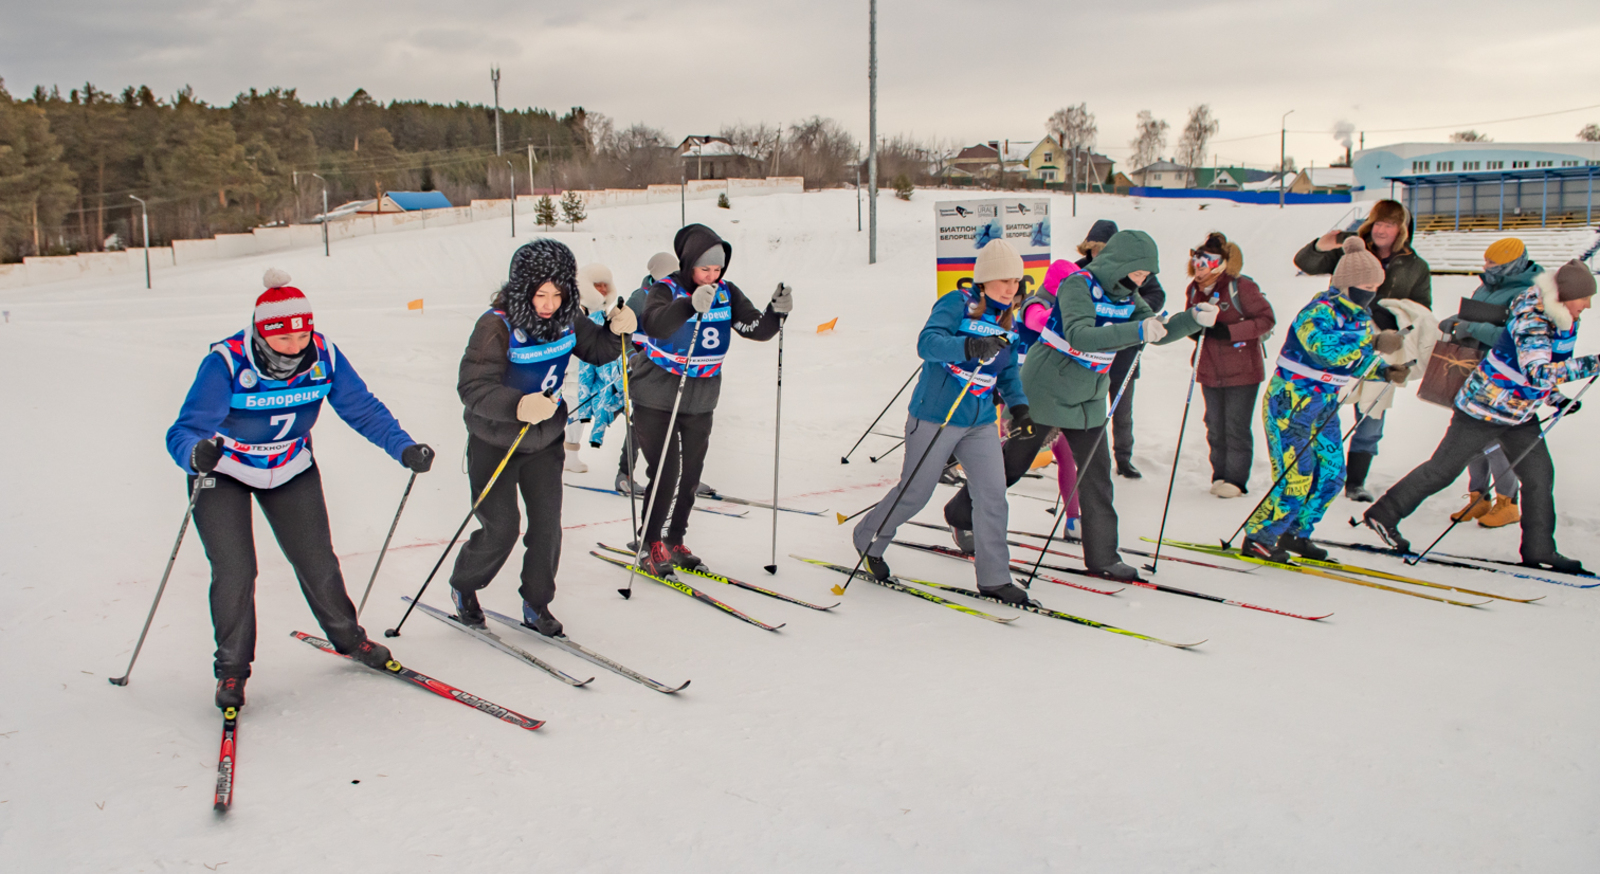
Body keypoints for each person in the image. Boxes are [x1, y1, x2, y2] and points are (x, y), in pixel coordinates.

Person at [166, 269, 435, 711]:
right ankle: (232, 669)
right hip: (224, 470)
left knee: (317, 559)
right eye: (283, 339)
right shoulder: (227, 362)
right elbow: (184, 430)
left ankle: (350, 640)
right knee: (236, 570)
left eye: (302, 335)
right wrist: (194, 453)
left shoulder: (324, 354)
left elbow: (362, 408)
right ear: (261, 332)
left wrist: (403, 447)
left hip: (290, 466)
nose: (295, 347)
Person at [447, 240, 634, 636]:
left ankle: (537, 603)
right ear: (522, 289)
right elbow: (472, 387)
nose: (549, 304)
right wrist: (518, 406)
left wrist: (619, 331)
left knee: (547, 528)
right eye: (540, 295)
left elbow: (598, 350)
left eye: (558, 294)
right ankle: (464, 586)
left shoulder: (568, 318)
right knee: (501, 529)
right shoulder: (495, 325)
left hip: (545, 440)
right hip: (495, 442)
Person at [1363, 261, 1599, 573]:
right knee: (1442, 470)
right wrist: (1594, 363)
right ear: (1566, 295)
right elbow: (1538, 371)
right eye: (1584, 297)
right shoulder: (1534, 320)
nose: (1588, 304)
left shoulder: (1562, 317)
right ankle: (1383, 514)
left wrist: (1555, 398)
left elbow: (1532, 366)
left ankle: (1539, 549)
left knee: (1539, 477)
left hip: (1518, 413)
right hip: (1483, 409)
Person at [1020, 229, 1216, 580]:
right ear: (1117, 263)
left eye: (1145, 275)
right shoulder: (1078, 285)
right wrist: (1137, 331)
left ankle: (1103, 557)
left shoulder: (1128, 295)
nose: (1139, 280)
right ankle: (962, 515)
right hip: (1049, 386)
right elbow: (1079, 334)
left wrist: (1191, 319)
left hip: (1090, 394)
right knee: (1013, 463)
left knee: (1097, 476)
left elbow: (1155, 331)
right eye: (1136, 272)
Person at [854, 239, 1033, 605]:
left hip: (980, 420)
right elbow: (927, 344)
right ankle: (868, 538)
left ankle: (995, 578)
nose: (1011, 288)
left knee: (992, 496)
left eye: (1016, 281)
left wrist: (1020, 408)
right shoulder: (957, 303)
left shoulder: (1008, 319)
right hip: (937, 416)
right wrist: (968, 347)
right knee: (915, 492)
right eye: (1004, 280)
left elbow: (1007, 371)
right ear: (984, 279)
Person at [633, 224, 788, 576]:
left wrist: (775, 312)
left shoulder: (726, 292)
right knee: (666, 472)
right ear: (689, 264)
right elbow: (655, 324)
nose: (712, 276)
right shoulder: (665, 288)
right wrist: (689, 306)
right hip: (656, 394)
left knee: (691, 474)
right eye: (705, 269)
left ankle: (674, 539)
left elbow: (756, 329)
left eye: (717, 269)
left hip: (701, 398)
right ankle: (649, 542)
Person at [1243, 238, 1407, 562]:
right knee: (1297, 474)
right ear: (1346, 283)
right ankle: (1260, 536)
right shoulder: (1319, 311)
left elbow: (1352, 361)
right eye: (1366, 286)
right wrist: (1374, 343)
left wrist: (1384, 371)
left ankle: (1295, 533)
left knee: (1332, 475)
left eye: (1376, 286)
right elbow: (1325, 350)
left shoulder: (1359, 316)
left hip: (1324, 404)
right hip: (1291, 402)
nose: (1371, 292)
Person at [1293, 199, 1432, 501]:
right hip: (1340, 337)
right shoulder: (1352, 251)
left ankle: (1355, 482)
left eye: (1389, 225)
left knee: (1371, 414)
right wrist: (1319, 245)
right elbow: (1305, 263)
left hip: (1384, 345)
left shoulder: (1415, 266)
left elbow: (1422, 311)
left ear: (1401, 230)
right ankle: (1315, 474)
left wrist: (1394, 321)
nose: (1381, 230)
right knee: (1325, 407)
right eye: (1378, 223)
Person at [941, 257, 1082, 552]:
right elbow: (1036, 321)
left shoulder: (1076, 312)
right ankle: (962, 515)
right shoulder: (1037, 304)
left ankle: (1075, 519)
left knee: (1070, 457)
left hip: (1060, 397)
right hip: (1025, 398)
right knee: (1008, 467)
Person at [1436, 238, 1541, 529]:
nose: (1486, 267)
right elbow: (1474, 314)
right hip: (1474, 369)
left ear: (1512, 265)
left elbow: (1513, 338)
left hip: (1503, 378)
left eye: (1493, 263)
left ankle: (1508, 501)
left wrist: (1471, 328)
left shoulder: (1528, 293)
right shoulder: (1488, 286)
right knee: (1469, 436)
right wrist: (1456, 321)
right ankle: (1478, 496)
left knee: (1494, 440)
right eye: (1486, 261)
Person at [1184, 232, 1275, 498]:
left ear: (1221, 264)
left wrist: (1230, 332)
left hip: (1242, 369)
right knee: (1214, 425)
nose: (1200, 268)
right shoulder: (1194, 290)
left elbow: (1266, 319)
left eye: (1207, 262)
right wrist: (1192, 328)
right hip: (1209, 368)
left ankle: (1236, 479)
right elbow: (1190, 319)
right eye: (1197, 261)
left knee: (1235, 426)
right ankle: (1220, 474)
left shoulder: (1240, 287)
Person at [1075, 219, 1165, 479]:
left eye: (1104, 250)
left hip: (1124, 353)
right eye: (1094, 250)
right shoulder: (1079, 271)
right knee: (1086, 409)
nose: (1098, 255)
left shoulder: (1134, 270)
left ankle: (1123, 458)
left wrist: (1129, 312)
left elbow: (1157, 296)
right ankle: (1082, 457)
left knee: (1122, 410)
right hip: (1089, 355)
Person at [615, 252, 681, 496]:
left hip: (672, 367)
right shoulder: (639, 298)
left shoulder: (680, 294)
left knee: (679, 420)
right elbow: (622, 334)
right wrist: (632, 357)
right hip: (645, 369)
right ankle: (624, 474)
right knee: (641, 422)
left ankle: (680, 476)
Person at [562, 263, 624, 474]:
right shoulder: (573, 310)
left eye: (606, 285)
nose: (603, 290)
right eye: (598, 285)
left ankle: (569, 455)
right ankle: (562, 455)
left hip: (588, 373)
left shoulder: (601, 312)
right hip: (570, 374)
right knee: (570, 413)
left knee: (578, 414)